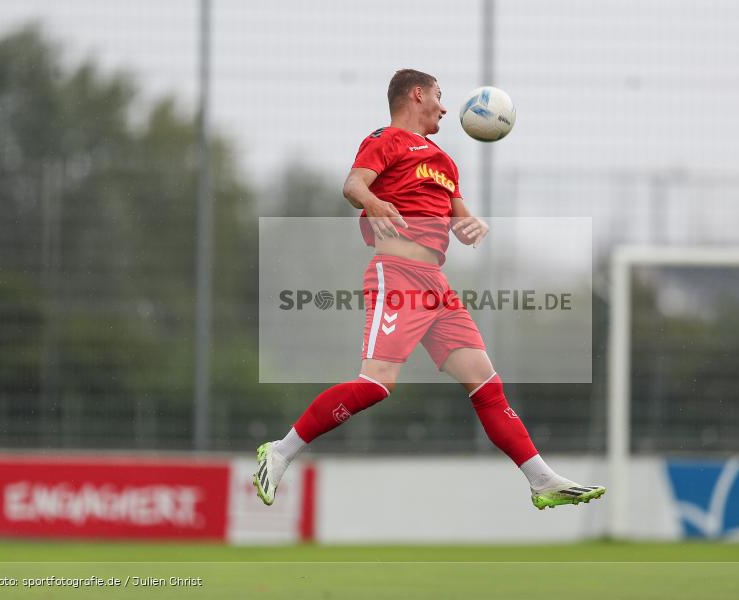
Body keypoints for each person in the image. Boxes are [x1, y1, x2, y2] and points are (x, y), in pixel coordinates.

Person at [253, 69, 604, 511]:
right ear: (416, 95)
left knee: (486, 385)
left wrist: (471, 226)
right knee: (376, 384)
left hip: (436, 286)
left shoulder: (444, 161)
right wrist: (374, 201)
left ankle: (541, 479)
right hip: (397, 275)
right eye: (439, 96)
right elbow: (353, 185)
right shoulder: (387, 139)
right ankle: (280, 452)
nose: (444, 106)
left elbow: (460, 218)